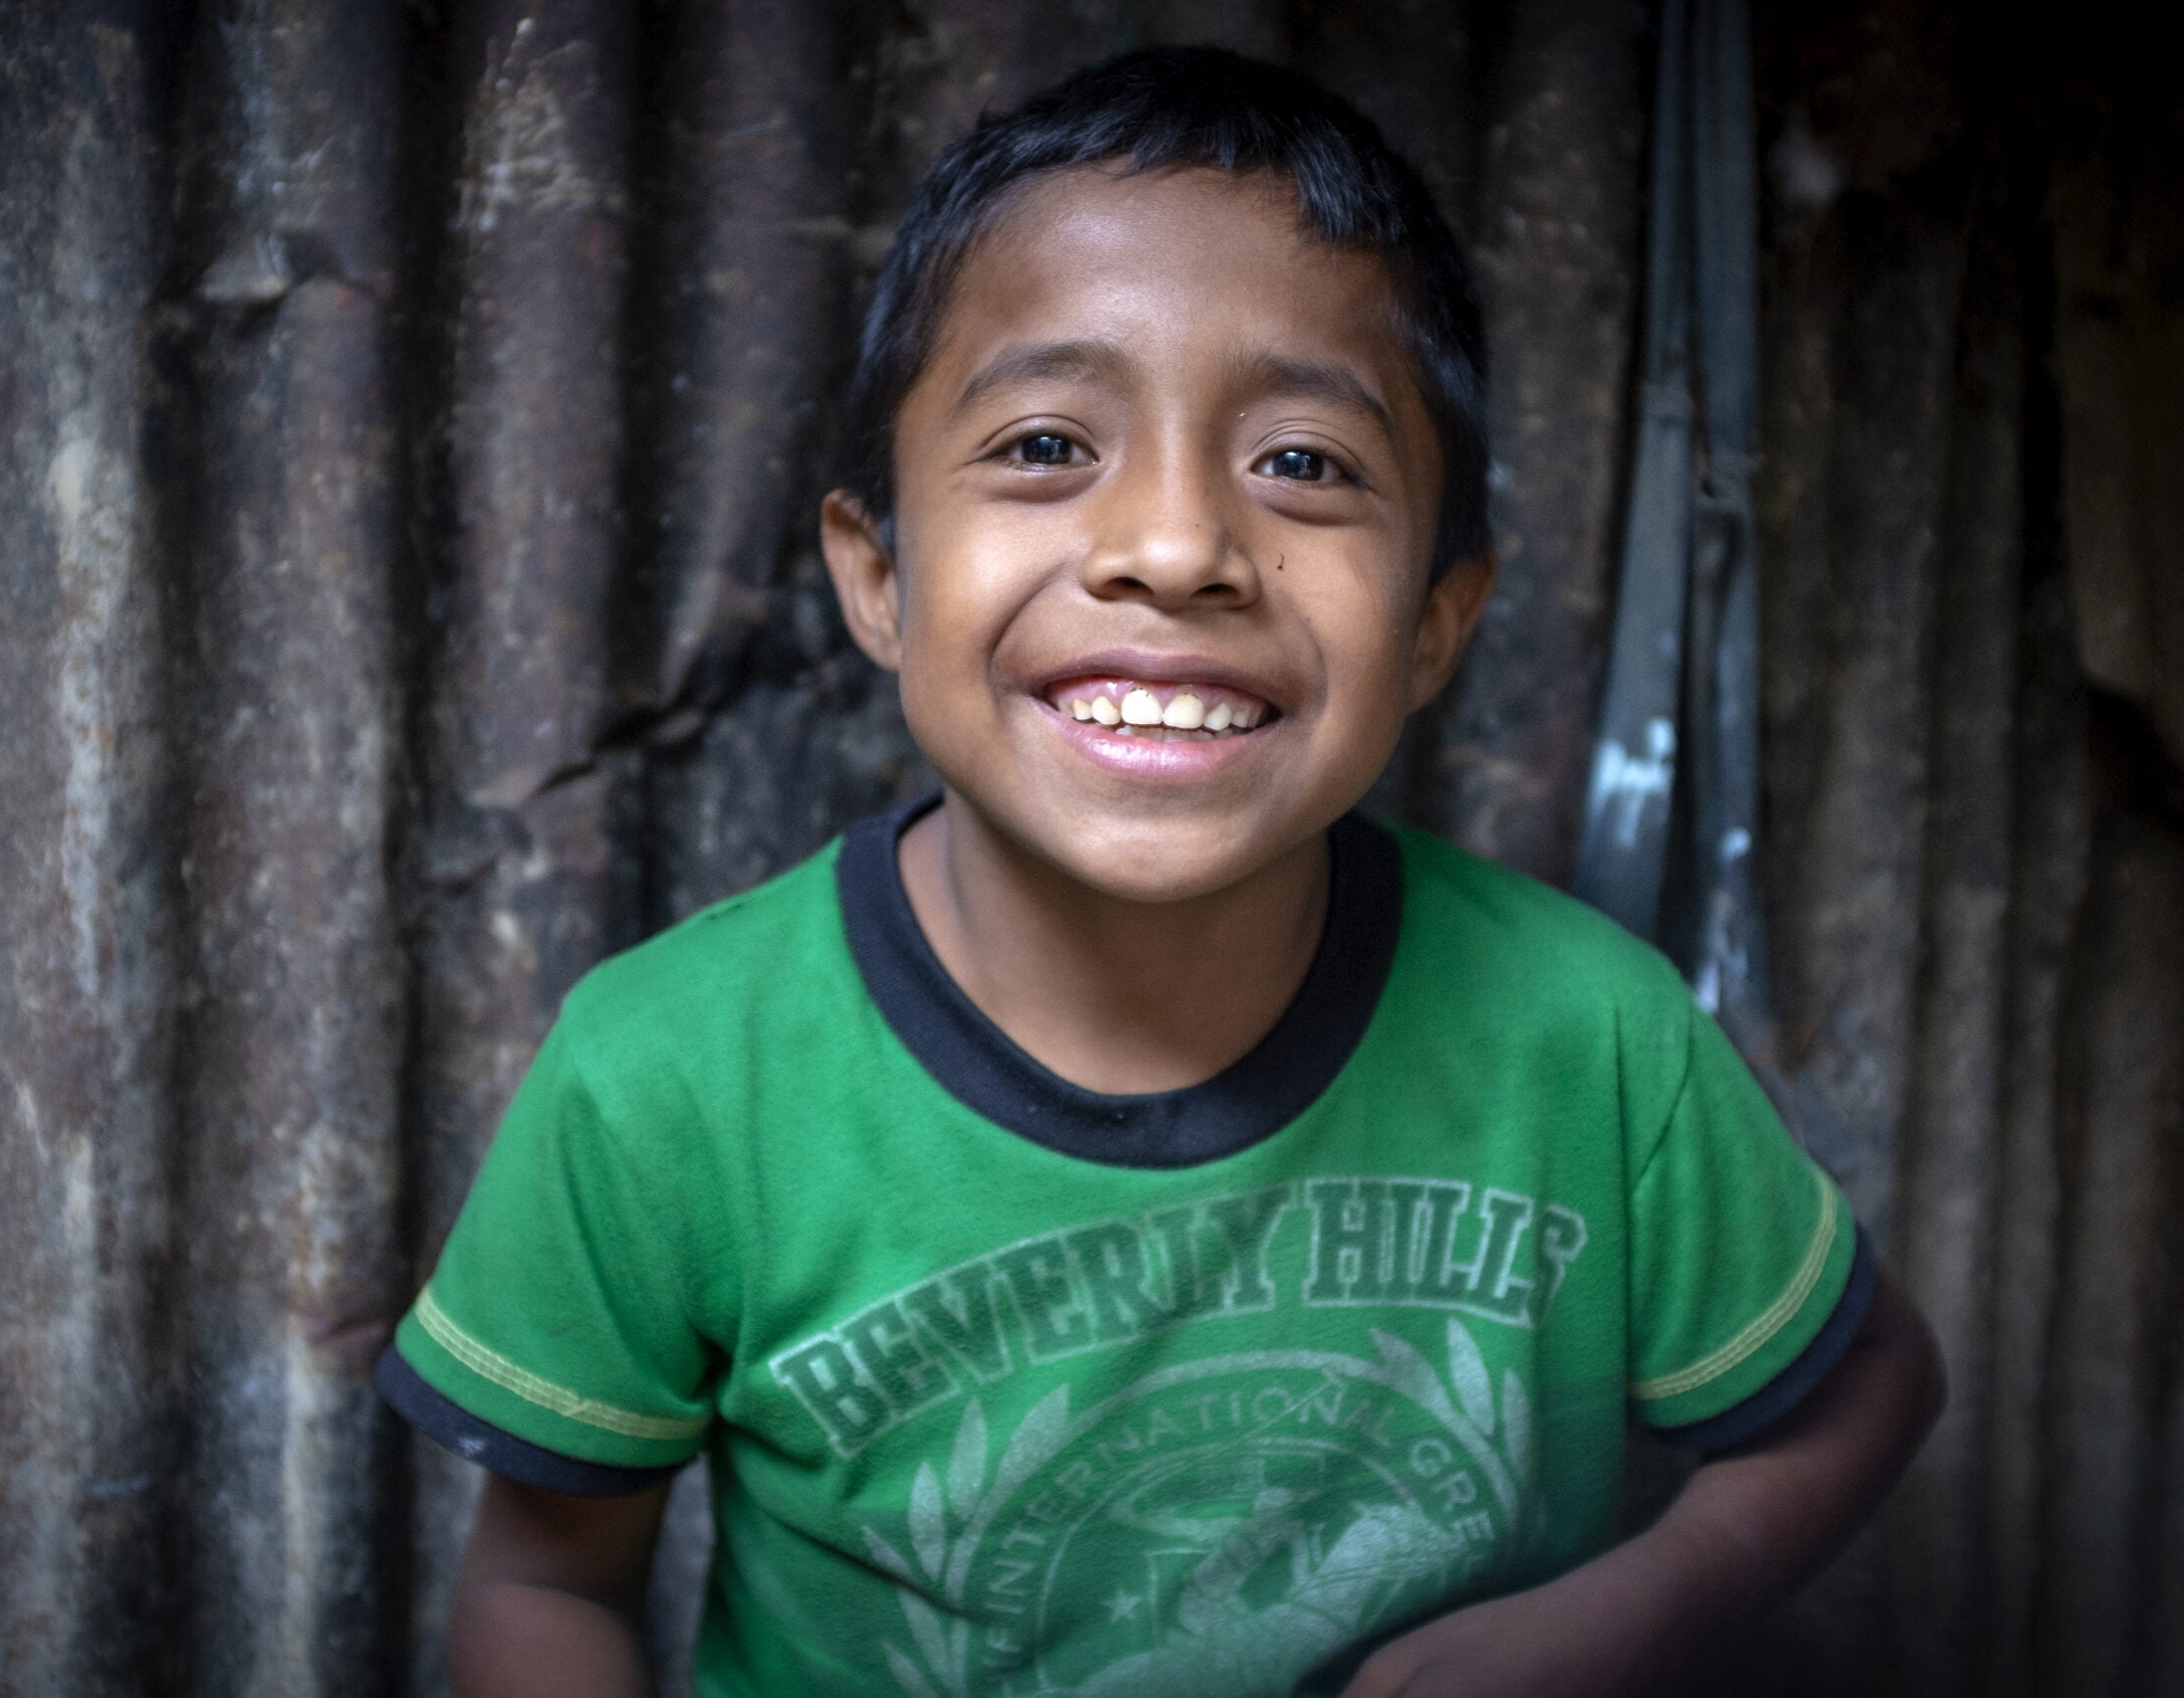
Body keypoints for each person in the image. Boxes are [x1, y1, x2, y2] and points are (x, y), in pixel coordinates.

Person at [375, 46, 1944, 1698]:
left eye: (1303, 465)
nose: (1180, 545)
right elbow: (546, 1590)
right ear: (878, 575)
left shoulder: (1592, 1045)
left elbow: (1867, 1392)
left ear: (1435, 622)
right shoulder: (665, 1079)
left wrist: (1637, 1607)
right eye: (1049, 444)